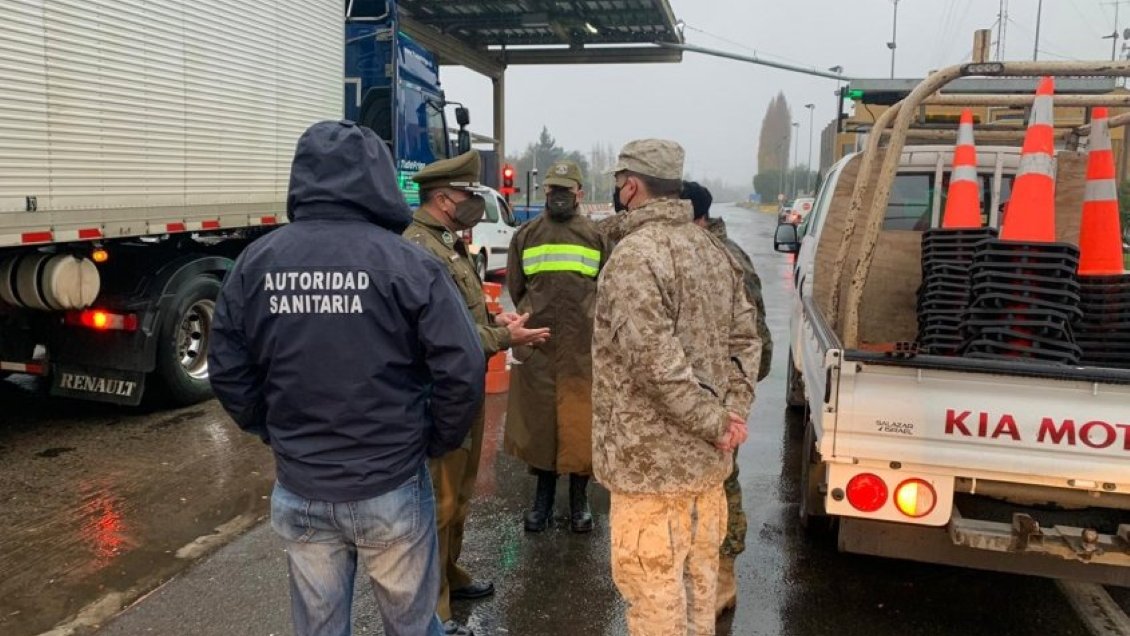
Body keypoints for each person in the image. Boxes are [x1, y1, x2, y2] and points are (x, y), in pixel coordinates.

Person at [208, 120, 485, 636]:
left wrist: (273, 428)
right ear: (375, 178)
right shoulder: (406, 262)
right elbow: (463, 364)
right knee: (410, 625)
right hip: (391, 482)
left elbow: (226, 366)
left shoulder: (257, 261)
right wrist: (435, 438)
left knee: (318, 627)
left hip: (302, 483)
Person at [592, 139, 762, 636]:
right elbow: (745, 342)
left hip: (650, 474)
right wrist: (732, 416)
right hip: (708, 468)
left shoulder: (635, 257)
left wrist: (718, 422)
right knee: (698, 596)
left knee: (655, 604)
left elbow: (655, 365)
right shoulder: (712, 250)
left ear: (631, 186)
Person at [404, 150, 550, 636]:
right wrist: (508, 337)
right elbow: (440, 338)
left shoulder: (447, 242)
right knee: (439, 503)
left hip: (464, 389)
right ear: (445, 199)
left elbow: (465, 316)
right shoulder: (420, 249)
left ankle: (451, 572)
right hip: (440, 393)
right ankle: (435, 606)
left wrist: (497, 321)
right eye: (468, 194)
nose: (474, 202)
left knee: (460, 495)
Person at [504, 160, 613, 533]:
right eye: (553, 190)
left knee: (580, 427)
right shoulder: (526, 235)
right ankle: (543, 502)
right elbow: (517, 289)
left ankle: (580, 502)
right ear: (545, 191)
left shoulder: (596, 237)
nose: (559, 196)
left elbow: (608, 290)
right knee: (542, 428)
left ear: (579, 193)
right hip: (541, 349)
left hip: (583, 351)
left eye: (566, 190)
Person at [682, 180, 774, 616]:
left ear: (695, 216)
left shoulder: (727, 260)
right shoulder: (683, 254)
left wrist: (733, 399)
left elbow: (758, 343)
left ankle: (724, 573)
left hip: (717, 400)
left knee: (722, 484)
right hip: (685, 399)